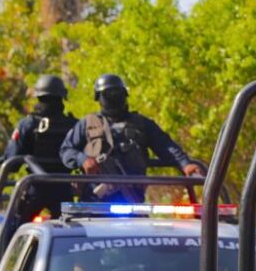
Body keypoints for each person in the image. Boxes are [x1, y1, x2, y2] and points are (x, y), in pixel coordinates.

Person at [59, 74, 203, 203]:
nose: (114, 97)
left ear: (125, 95)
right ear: (99, 97)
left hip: (132, 200)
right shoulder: (87, 123)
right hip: (95, 201)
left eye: (117, 93)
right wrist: (82, 159)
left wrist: (185, 164)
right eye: (109, 94)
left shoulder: (141, 124)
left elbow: (166, 146)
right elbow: (66, 150)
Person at [3, 74, 78, 220]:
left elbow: (12, 162)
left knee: (14, 228)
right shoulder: (74, 125)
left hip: (35, 187)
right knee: (70, 230)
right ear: (62, 97)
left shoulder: (28, 124)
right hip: (63, 189)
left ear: (39, 97)